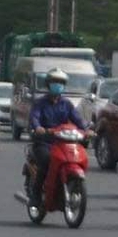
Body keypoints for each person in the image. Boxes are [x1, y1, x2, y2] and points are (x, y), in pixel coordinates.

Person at [23, 68, 90, 199]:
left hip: (63, 142)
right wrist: (38, 127)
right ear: (48, 84)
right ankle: (36, 196)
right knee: (46, 162)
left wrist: (86, 130)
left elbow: (78, 119)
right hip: (44, 142)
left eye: (60, 82)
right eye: (55, 82)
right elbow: (34, 117)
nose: (58, 85)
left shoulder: (66, 104)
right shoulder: (40, 103)